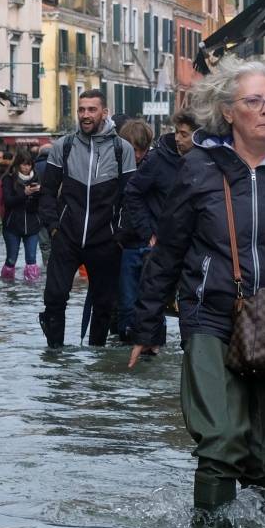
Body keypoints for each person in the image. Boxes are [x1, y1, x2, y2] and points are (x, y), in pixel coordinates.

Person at [129, 60, 265, 515]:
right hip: (210, 316)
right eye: (253, 101)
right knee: (220, 442)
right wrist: (146, 325)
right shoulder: (199, 168)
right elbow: (170, 248)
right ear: (227, 111)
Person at [37, 89, 136, 348]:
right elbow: (47, 192)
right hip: (67, 237)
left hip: (105, 240)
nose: (85, 115)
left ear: (104, 112)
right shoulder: (64, 146)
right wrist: (54, 228)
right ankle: (55, 356)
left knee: (104, 304)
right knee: (54, 298)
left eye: (91, 110)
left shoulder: (121, 149)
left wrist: (120, 236)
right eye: (81, 110)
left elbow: (130, 199)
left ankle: (97, 359)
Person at [120, 110, 197, 344]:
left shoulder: (206, 163)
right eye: (177, 133)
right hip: (147, 245)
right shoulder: (158, 160)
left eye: (183, 134)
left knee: (182, 308)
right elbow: (132, 192)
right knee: (137, 306)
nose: (177, 138)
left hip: (190, 248)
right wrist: (149, 233)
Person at [112, 119, 154, 343]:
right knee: (127, 302)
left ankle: (150, 343)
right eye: (132, 150)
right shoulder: (117, 169)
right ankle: (127, 339)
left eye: (139, 150)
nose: (136, 156)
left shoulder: (156, 168)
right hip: (127, 244)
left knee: (151, 301)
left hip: (148, 244)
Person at [0, 147, 42, 282]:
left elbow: (42, 203)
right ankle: (7, 285)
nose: (26, 167)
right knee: (11, 259)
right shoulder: (8, 179)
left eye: (29, 164)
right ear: (18, 164)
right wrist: (24, 194)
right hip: (12, 225)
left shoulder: (37, 177)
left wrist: (38, 193)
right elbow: (8, 201)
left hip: (32, 225)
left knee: (31, 260)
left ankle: (31, 290)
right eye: (24, 164)